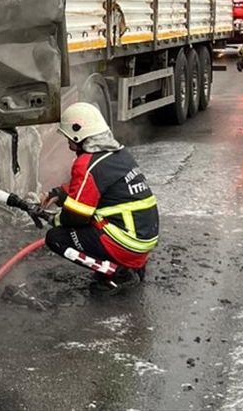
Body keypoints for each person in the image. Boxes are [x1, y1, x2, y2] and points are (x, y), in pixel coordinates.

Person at [42, 102, 159, 294]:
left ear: (79, 134)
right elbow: (90, 188)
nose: (67, 142)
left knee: (56, 238)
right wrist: (58, 194)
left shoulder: (86, 164)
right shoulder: (118, 155)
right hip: (142, 240)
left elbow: (76, 218)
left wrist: (52, 219)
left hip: (126, 243)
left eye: (68, 137)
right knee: (89, 221)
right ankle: (131, 266)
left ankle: (118, 272)